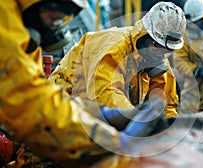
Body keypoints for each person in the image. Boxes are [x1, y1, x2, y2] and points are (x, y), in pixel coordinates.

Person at [0, 0, 165, 167]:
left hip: (58, 115)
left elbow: (36, 91)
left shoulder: (24, 26)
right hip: (49, 125)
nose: (56, 27)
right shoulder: (5, 27)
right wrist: (112, 142)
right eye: (55, 18)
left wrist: (99, 113)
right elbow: (28, 104)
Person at [50, 2, 186, 118]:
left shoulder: (155, 56)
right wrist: (137, 118)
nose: (160, 53)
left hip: (99, 115)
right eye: (157, 46)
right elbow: (106, 94)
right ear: (145, 37)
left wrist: (169, 128)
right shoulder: (115, 48)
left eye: (167, 50)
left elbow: (166, 106)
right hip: (64, 109)